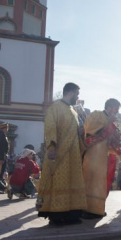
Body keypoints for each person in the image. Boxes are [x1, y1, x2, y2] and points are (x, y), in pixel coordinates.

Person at [36, 83, 87, 225]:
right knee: (58, 184)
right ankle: (57, 216)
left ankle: (72, 214)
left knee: (72, 182)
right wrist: (51, 147)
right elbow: (50, 127)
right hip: (60, 154)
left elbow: (75, 132)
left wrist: (81, 133)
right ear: (70, 93)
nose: (78, 98)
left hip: (73, 156)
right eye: (77, 94)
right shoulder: (55, 108)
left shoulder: (74, 111)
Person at [82, 98, 121, 219]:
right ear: (110, 107)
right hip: (93, 154)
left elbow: (111, 139)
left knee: (101, 183)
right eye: (116, 109)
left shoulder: (111, 122)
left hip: (104, 156)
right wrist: (108, 121)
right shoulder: (96, 114)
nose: (117, 112)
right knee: (90, 180)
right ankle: (86, 209)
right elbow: (90, 128)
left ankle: (98, 209)